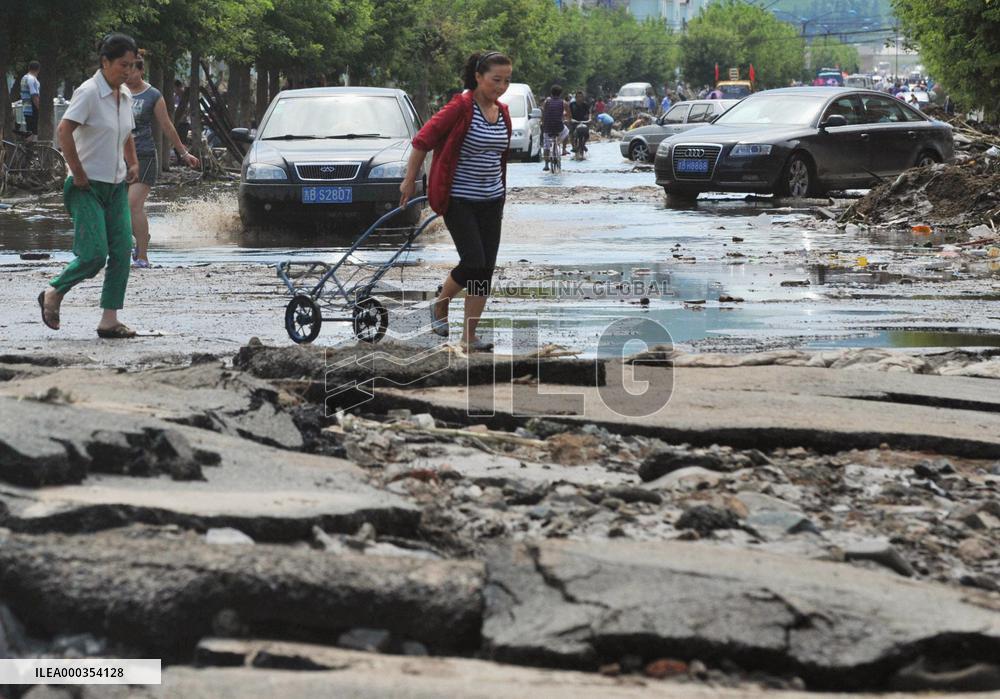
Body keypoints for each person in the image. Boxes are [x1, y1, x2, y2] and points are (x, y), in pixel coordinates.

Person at [398, 50, 513, 353]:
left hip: (492, 200)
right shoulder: (460, 107)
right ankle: (440, 304)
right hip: (460, 199)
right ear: (478, 77)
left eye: (506, 81)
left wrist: (500, 192)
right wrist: (410, 180)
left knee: (485, 271)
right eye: (495, 80)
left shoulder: (503, 112)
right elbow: (422, 140)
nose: (500, 87)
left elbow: (498, 157)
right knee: (473, 261)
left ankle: (469, 337)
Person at [38, 33, 141, 339]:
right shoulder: (88, 92)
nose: (128, 71)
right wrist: (78, 172)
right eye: (122, 64)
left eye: (132, 65)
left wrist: (132, 162)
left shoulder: (125, 96)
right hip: (85, 187)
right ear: (105, 61)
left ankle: (109, 320)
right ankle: (54, 291)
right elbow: (64, 131)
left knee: (123, 250)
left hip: (116, 186)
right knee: (95, 254)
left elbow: (126, 133)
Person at [124, 50, 200, 268]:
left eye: (132, 70)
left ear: (141, 70)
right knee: (118, 207)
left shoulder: (153, 95)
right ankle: (140, 238)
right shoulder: (117, 92)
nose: (128, 75)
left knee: (133, 204)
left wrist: (183, 153)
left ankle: (142, 256)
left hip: (145, 155)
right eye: (125, 69)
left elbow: (167, 125)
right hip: (119, 158)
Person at [540, 84, 570, 167]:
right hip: (559, 127)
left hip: (547, 127)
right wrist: (568, 120)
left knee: (546, 145)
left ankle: (546, 165)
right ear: (560, 94)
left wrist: (542, 122)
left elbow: (543, 113)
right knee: (567, 131)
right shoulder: (564, 103)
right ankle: (563, 149)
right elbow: (569, 115)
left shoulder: (546, 102)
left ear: (551, 93)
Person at [20, 61, 41, 141]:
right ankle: (30, 151)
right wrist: (39, 108)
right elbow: (34, 95)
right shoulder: (32, 79)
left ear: (29, 68)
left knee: (30, 130)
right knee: (33, 132)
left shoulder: (24, 78)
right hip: (32, 108)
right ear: (38, 70)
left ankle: (28, 151)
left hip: (26, 108)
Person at [569, 90, 591, 156]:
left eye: (581, 97)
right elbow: (569, 114)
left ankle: (583, 144)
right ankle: (573, 146)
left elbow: (589, 113)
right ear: (576, 97)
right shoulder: (572, 104)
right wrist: (570, 119)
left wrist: (590, 119)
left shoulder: (585, 105)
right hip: (574, 122)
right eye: (578, 97)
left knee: (587, 135)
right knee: (571, 134)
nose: (580, 98)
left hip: (584, 122)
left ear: (583, 98)